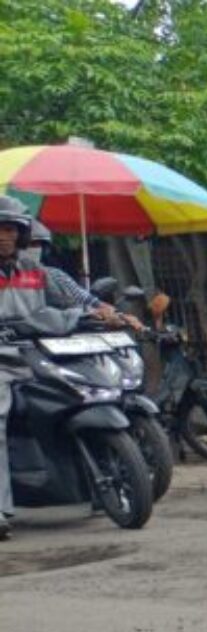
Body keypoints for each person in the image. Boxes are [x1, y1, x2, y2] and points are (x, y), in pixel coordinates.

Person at [0, 197, 97, 542]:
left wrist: (104, 312)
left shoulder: (40, 273)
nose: (4, 236)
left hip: (41, 355)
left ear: (22, 234)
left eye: (10, 229)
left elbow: (79, 301)